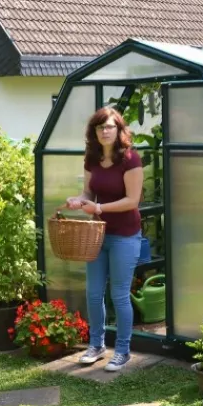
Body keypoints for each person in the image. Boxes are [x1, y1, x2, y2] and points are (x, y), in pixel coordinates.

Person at [66, 107, 143, 371]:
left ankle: (122, 350)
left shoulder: (130, 159)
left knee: (119, 295)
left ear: (119, 129)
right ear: (94, 132)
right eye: (100, 127)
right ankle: (96, 346)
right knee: (93, 292)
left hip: (125, 235)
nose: (105, 131)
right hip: (97, 235)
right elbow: (88, 192)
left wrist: (99, 208)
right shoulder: (92, 158)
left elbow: (132, 201)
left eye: (109, 126)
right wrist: (79, 200)